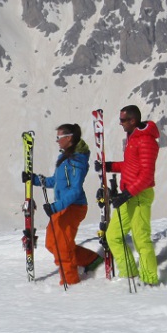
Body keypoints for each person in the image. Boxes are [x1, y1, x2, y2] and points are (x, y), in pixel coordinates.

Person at [23, 123, 101, 286]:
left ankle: (70, 282)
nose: (57, 141)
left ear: (69, 138)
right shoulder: (64, 158)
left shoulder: (76, 161)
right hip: (62, 206)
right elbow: (55, 182)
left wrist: (55, 207)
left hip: (73, 207)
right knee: (52, 243)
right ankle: (91, 260)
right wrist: (35, 179)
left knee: (62, 246)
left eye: (59, 137)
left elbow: (75, 190)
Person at [98, 104, 160, 285]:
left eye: (123, 120)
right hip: (129, 194)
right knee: (113, 235)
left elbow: (147, 175)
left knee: (141, 239)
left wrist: (127, 194)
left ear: (133, 120)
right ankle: (130, 274)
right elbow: (130, 166)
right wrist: (109, 166)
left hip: (139, 195)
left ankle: (150, 280)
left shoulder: (146, 141)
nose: (120, 124)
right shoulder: (133, 139)